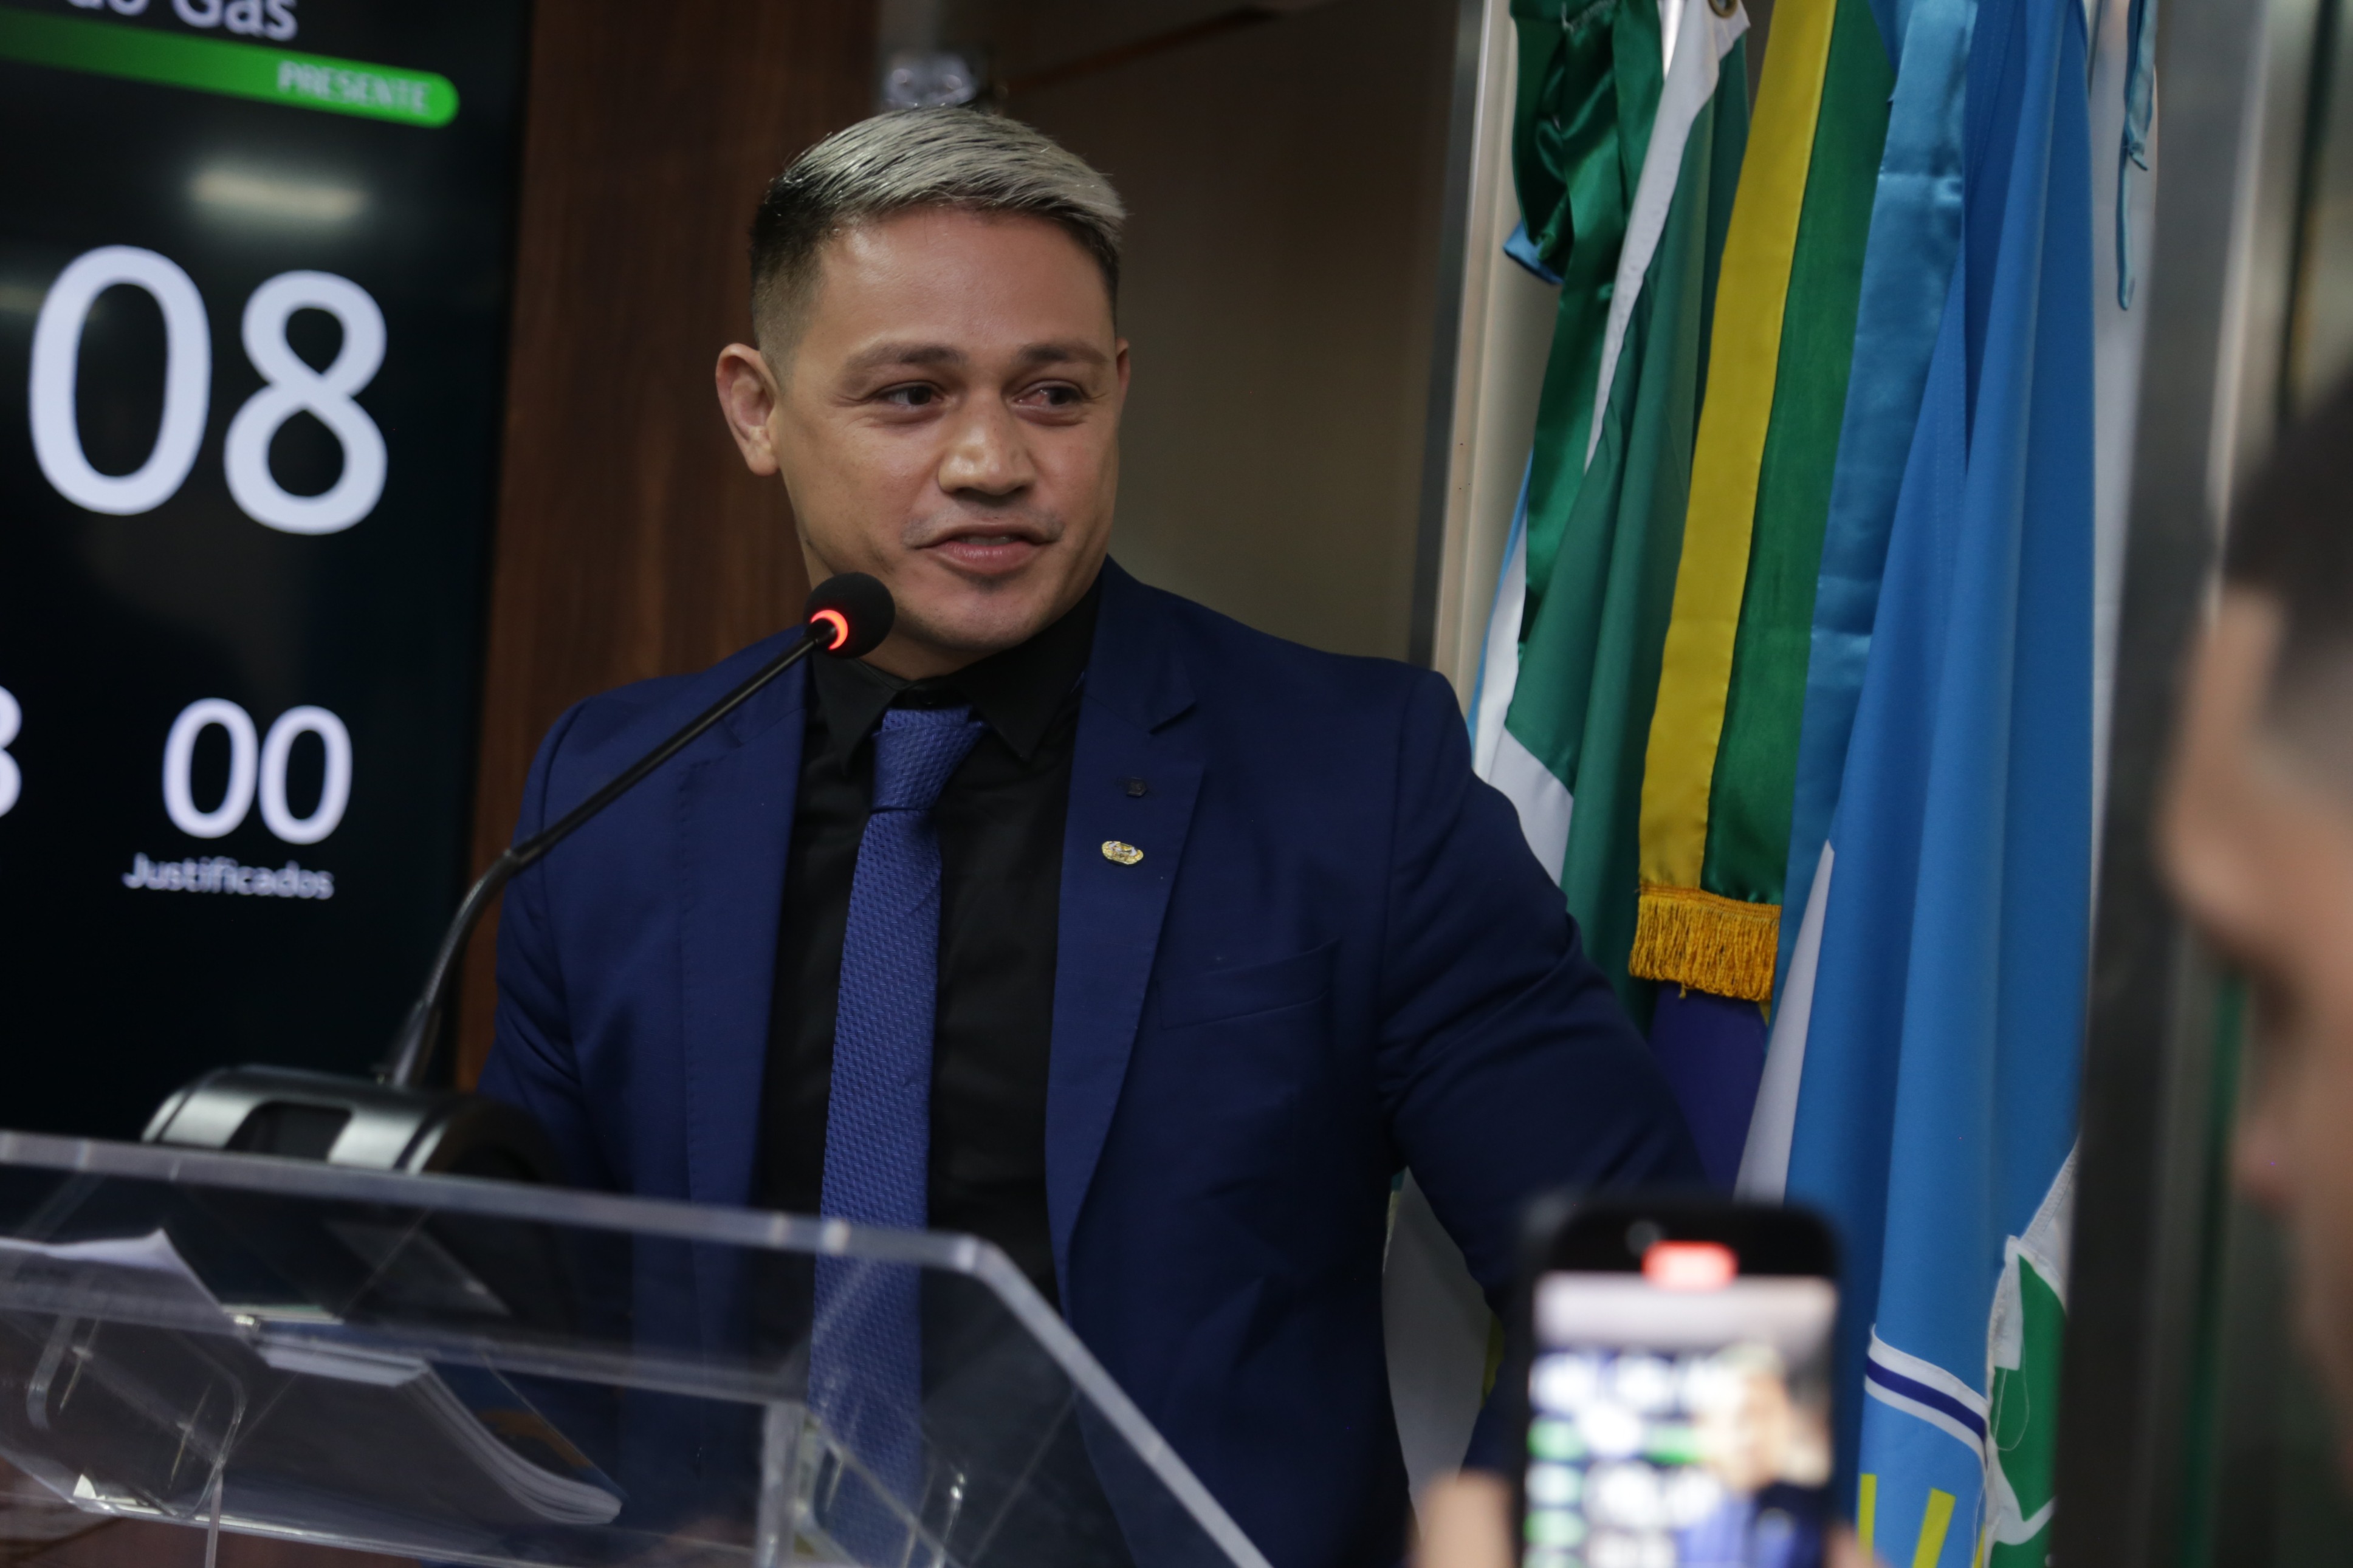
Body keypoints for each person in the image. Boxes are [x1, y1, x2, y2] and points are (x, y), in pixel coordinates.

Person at [479, 106, 1700, 1567]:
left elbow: (1656, 1290)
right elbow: (517, 1322)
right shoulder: (615, 790)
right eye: (911, 395)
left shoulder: (1350, 778)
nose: (991, 460)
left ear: (1119, 390)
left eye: (1051, 394)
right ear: (756, 408)